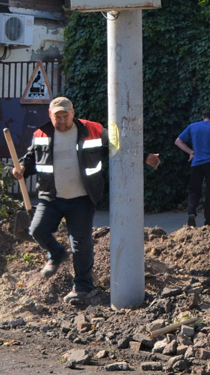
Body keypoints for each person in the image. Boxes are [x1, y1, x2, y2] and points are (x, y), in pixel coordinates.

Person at [12, 96, 158, 305]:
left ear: (73, 113)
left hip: (82, 198)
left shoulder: (93, 130)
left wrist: (145, 156)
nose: (61, 121)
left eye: (65, 116)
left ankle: (82, 287)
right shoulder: (40, 133)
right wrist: (22, 169)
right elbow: (31, 158)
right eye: (57, 117)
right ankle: (56, 252)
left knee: (81, 244)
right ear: (50, 116)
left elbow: (119, 145)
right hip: (51, 197)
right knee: (37, 230)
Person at [175, 110, 210, 228]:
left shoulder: (192, 127)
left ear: (203, 117)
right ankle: (208, 221)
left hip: (196, 164)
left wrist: (190, 152)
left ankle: (191, 213)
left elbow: (178, 141)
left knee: (194, 190)